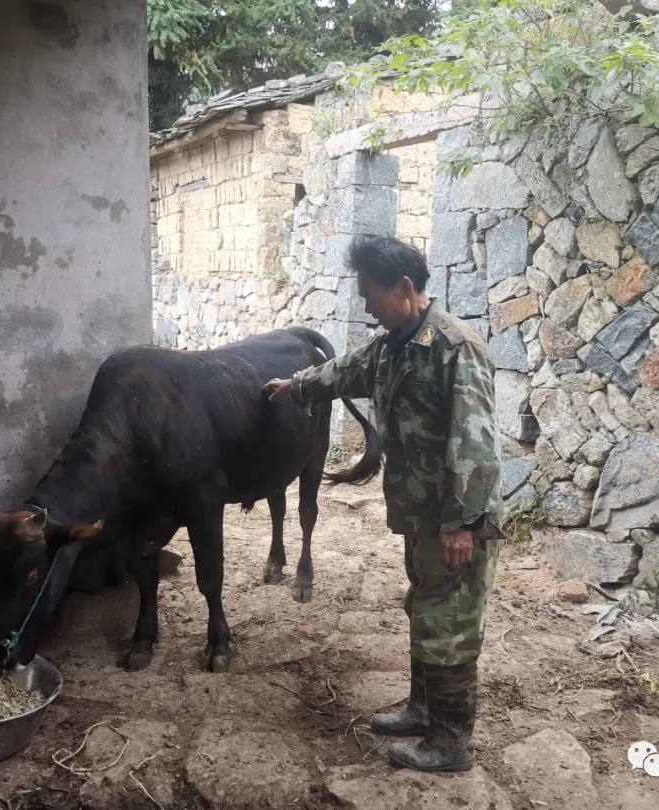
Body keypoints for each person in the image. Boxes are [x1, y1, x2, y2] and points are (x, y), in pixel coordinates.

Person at [264, 234, 504, 773]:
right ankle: (423, 709)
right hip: (422, 517)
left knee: (450, 621)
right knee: (425, 607)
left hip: (453, 519)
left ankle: (451, 743)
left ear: (403, 287)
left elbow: (475, 441)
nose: (366, 305)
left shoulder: (454, 348)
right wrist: (295, 386)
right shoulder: (395, 342)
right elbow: (347, 370)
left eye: (370, 294)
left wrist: (462, 521)